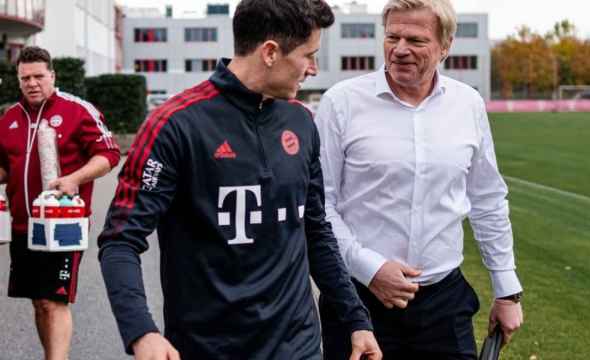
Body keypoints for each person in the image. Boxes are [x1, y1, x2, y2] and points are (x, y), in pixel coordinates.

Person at [97, 0, 382, 359]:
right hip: (208, 348)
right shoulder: (175, 125)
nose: (313, 68)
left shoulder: (301, 122)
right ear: (270, 52)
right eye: (309, 55)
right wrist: (141, 332)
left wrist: (357, 318)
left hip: (299, 346)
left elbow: (315, 229)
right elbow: (120, 240)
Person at [315, 0, 524, 358]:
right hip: (357, 302)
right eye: (392, 37)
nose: (399, 50)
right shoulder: (341, 103)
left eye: (415, 40)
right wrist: (371, 268)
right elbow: (320, 205)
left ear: (446, 45)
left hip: (443, 304)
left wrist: (506, 290)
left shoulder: (467, 105)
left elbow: (487, 198)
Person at [0, 46, 120, 360]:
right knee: (39, 302)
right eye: (25, 77)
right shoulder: (10, 118)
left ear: (53, 76)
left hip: (62, 224)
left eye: (39, 76)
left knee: (54, 301)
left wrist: (75, 178)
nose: (32, 83)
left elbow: (109, 154)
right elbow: (4, 167)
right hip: (23, 226)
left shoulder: (78, 110)